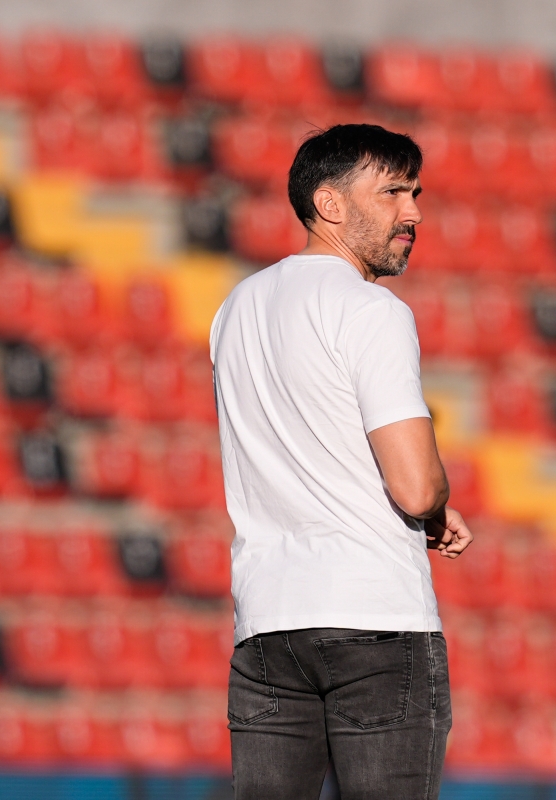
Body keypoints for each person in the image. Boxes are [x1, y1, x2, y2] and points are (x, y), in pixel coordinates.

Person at [210, 124, 473, 800]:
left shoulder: (235, 309)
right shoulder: (370, 309)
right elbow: (415, 487)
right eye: (390, 192)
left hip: (268, 625)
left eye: (415, 193)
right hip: (374, 620)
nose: (412, 212)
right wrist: (438, 505)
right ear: (328, 203)